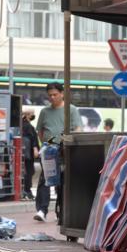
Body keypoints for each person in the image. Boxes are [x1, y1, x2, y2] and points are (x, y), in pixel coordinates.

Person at [34, 82, 82, 223]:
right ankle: (42, 210)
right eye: (50, 95)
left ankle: (60, 210)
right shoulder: (44, 112)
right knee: (45, 179)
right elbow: (40, 131)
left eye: (55, 94)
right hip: (49, 150)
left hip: (64, 151)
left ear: (62, 94)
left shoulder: (71, 110)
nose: (52, 97)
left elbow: (78, 128)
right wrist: (46, 143)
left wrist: (67, 142)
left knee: (62, 181)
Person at [20, 110, 39, 200]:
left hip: (23, 152)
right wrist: (35, 148)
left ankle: (24, 190)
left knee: (25, 171)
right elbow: (33, 138)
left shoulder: (21, 125)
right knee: (29, 171)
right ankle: (27, 191)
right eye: (32, 114)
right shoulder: (28, 126)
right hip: (28, 152)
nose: (33, 116)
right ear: (27, 115)